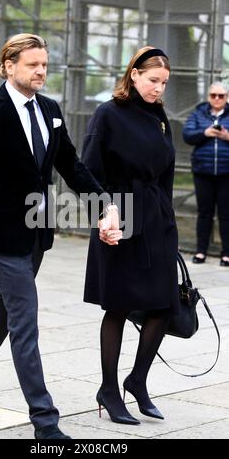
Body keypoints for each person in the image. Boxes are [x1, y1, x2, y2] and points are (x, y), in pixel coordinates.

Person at [0, 33, 117, 440]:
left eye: (45, 65)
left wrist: (106, 205)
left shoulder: (50, 110)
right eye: (32, 64)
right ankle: (45, 421)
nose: (40, 72)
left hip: (36, 231)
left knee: (2, 312)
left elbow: (71, 164)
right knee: (25, 319)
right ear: (8, 65)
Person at [81, 47, 179, 425]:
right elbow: (88, 170)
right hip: (119, 213)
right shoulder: (108, 113)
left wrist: (166, 218)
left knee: (163, 305)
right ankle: (108, 388)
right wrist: (104, 216)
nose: (158, 89)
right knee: (119, 306)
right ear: (134, 74)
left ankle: (137, 381)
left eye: (164, 83)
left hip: (156, 217)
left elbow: (167, 172)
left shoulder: (159, 116)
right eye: (153, 80)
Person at [182, 82, 229, 266]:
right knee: (204, 213)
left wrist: (226, 136)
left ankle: (226, 254)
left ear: (226, 97)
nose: (217, 99)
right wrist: (205, 133)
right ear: (209, 96)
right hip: (203, 171)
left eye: (221, 96)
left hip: (227, 172)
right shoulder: (198, 113)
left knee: (226, 214)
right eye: (213, 95)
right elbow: (187, 135)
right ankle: (201, 251)